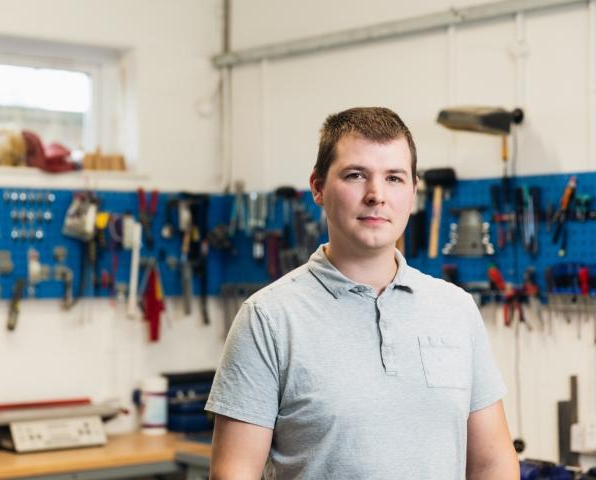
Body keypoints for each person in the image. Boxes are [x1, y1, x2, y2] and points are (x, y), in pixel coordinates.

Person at [205, 107, 519, 479]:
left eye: (394, 178)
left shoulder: (455, 309)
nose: (376, 195)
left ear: (414, 192)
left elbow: (493, 463)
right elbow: (234, 472)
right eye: (356, 176)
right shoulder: (268, 318)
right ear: (318, 187)